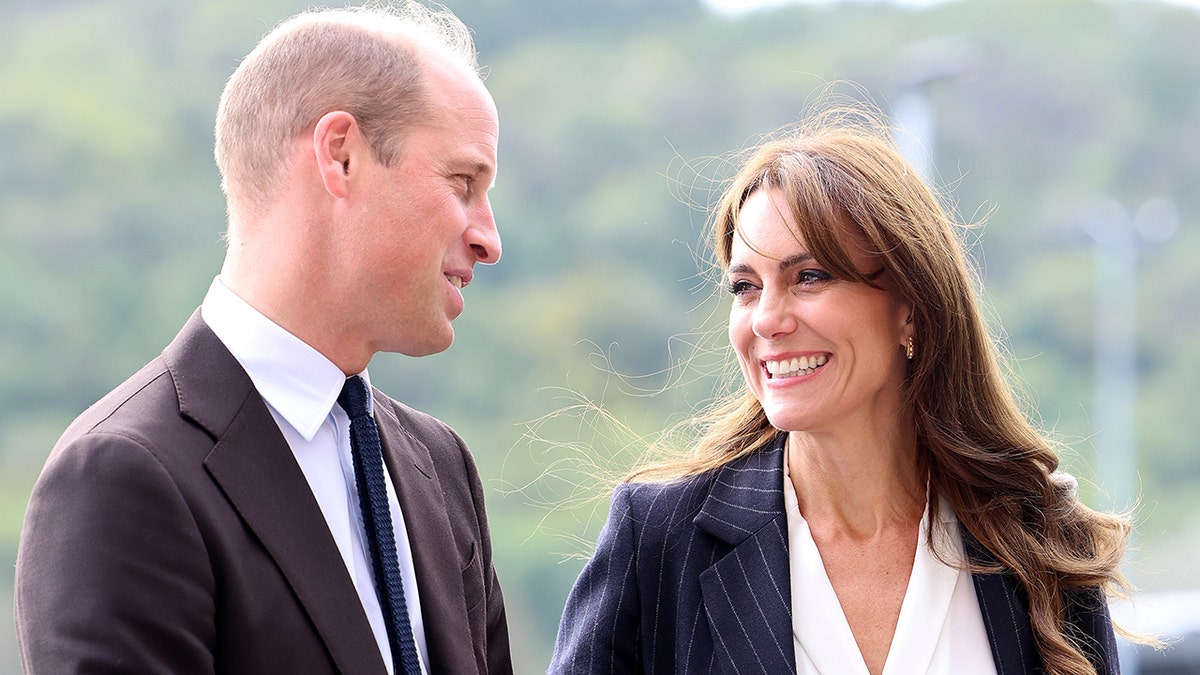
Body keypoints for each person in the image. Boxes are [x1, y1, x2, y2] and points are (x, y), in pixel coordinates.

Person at [15, 4, 511, 674]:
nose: (490, 238)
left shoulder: (440, 466)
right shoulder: (121, 475)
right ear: (340, 155)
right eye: (463, 183)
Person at [549, 106, 1130, 675]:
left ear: (910, 306)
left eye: (809, 277)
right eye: (745, 288)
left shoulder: (1039, 537)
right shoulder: (659, 540)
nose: (766, 320)